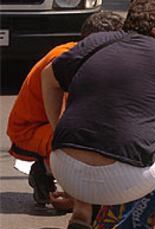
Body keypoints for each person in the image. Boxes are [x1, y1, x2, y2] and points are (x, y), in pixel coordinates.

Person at [41, 0, 155, 229]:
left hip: (65, 167)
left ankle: (81, 215)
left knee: (92, 123)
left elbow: (47, 77)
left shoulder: (96, 42)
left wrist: (58, 128)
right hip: (125, 179)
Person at [7, 12, 125, 207]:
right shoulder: (66, 60)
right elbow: (66, 123)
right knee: (82, 144)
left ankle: (52, 171)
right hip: (32, 129)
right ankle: (51, 171)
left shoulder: (85, 57)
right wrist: (76, 197)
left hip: (54, 123)